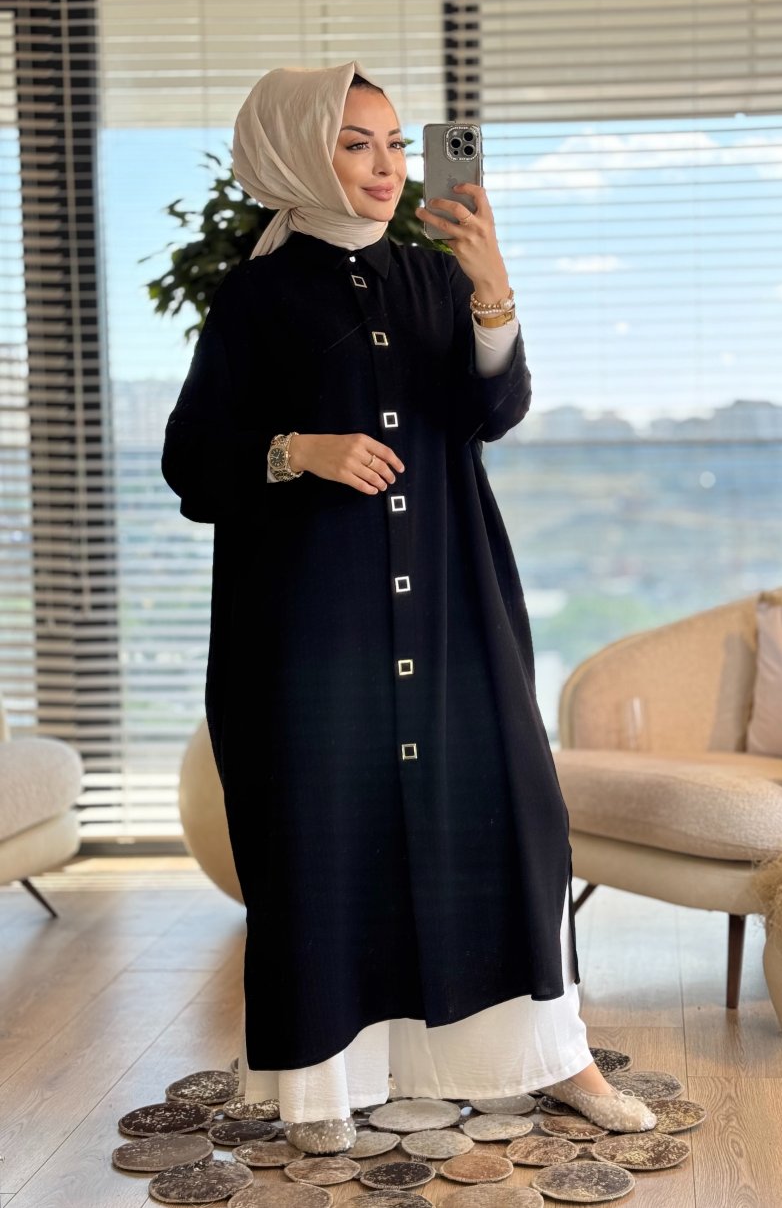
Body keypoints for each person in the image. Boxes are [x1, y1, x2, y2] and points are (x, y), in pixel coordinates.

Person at [161, 60, 656, 1149]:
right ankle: (323, 1083)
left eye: (395, 143)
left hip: (451, 599)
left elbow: (492, 408)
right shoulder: (256, 296)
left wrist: (492, 289)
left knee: (512, 813)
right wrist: (299, 449)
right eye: (356, 144)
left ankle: (551, 1056)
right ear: (298, 153)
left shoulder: (435, 279)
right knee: (323, 832)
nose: (386, 167)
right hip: (310, 624)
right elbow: (190, 458)